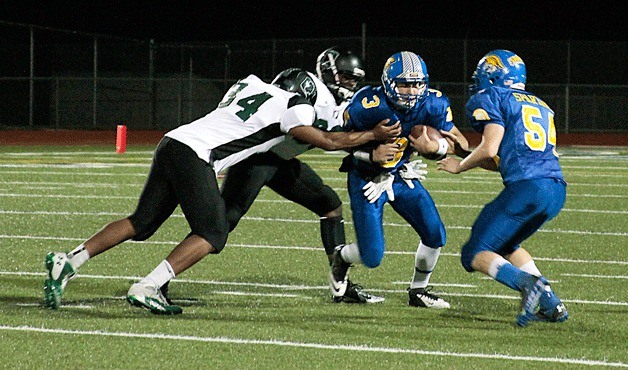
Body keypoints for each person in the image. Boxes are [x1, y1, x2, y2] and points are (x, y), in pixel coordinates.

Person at [43, 68, 401, 315]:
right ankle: (150, 285)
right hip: (198, 156)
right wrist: (372, 137)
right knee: (214, 231)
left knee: (142, 221)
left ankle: (70, 261)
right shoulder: (291, 106)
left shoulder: (249, 84)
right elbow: (325, 140)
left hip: (173, 141)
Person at [216, 48, 385, 304]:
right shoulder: (306, 84)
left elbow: (343, 141)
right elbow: (267, 110)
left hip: (281, 161)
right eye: (347, 77)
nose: (351, 84)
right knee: (219, 226)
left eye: (355, 80)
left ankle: (341, 281)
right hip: (255, 159)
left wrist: (374, 157)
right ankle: (161, 280)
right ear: (329, 72)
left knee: (330, 205)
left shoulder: (338, 106)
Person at [436, 49, 568, 327]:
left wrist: (460, 166)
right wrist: (466, 154)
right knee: (507, 245)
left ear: (494, 77)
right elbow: (501, 160)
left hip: (527, 188)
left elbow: (490, 148)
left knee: (473, 252)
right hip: (555, 190)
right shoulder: (540, 104)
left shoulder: (491, 96)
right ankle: (551, 304)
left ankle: (527, 284)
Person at [328, 51, 470, 309]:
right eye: (404, 83)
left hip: (401, 173)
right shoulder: (368, 104)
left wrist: (435, 149)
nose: (412, 91)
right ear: (388, 82)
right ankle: (341, 257)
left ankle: (419, 291)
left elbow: (460, 144)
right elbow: (334, 142)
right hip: (366, 178)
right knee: (372, 257)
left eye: (417, 84)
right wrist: (371, 154)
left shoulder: (433, 103)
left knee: (435, 233)